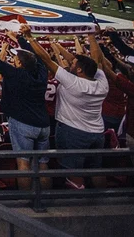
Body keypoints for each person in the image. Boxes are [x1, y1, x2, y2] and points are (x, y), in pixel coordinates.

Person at [25, 28, 108, 189]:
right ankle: (103, 198)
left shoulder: (73, 82)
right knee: (97, 169)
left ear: (79, 70)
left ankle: (75, 202)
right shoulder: (101, 82)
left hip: (74, 132)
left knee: (72, 172)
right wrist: (91, 37)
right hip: (97, 132)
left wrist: (30, 38)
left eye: (73, 64)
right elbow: (96, 60)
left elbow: (46, 59)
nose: (70, 63)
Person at [0, 31, 50, 189]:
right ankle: (46, 196)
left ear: (19, 63)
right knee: (43, 164)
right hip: (43, 124)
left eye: (15, 59)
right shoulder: (42, 73)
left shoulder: (15, 74)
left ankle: (27, 198)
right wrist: (20, 39)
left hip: (22, 123)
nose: (13, 60)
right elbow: (37, 56)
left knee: (23, 163)